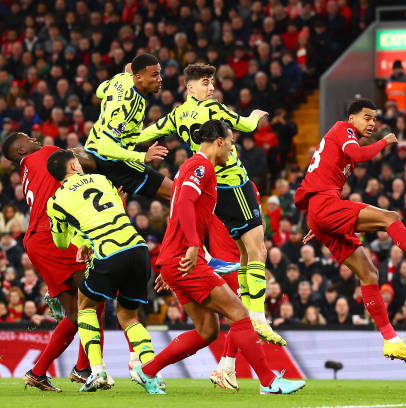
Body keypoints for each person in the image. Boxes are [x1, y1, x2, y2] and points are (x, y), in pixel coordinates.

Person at [131, 120, 305, 395]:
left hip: (175, 260)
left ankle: (147, 370)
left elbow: (178, 210)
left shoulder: (193, 167)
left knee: (207, 330)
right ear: (220, 141)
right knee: (239, 313)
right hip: (186, 258)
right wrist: (191, 245)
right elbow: (186, 203)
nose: (232, 150)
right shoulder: (201, 166)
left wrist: (168, 261)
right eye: (232, 144)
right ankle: (269, 382)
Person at [295, 98, 406, 363]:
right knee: (390, 218)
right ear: (351, 117)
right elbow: (359, 155)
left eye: (374, 119)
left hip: (322, 211)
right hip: (325, 205)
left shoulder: (340, 140)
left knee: (369, 274)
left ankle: (392, 340)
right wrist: (384, 141)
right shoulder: (343, 129)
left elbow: (317, 176)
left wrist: (318, 224)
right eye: (367, 117)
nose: (372, 123)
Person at [139, 63, 284, 347]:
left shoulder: (177, 114)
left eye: (212, 83)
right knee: (258, 251)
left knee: (244, 254)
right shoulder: (214, 110)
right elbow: (247, 125)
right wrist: (256, 114)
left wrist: (123, 145)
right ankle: (258, 318)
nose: (212, 88)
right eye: (206, 83)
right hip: (233, 183)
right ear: (190, 87)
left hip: (210, 188)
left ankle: (247, 315)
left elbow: (146, 134)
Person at [46, 149, 157, 392]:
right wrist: (87, 240)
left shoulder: (55, 202)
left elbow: (61, 243)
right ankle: (151, 370)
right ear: (74, 166)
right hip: (138, 248)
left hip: (110, 252)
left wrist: (80, 240)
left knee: (84, 306)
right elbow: (113, 212)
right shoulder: (102, 180)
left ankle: (97, 372)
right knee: (128, 316)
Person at [2, 132, 100, 392]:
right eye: (28, 139)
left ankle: (38, 372)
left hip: (37, 241)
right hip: (53, 236)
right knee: (96, 295)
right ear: (21, 149)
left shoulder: (28, 169)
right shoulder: (45, 154)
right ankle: (83, 368)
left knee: (76, 313)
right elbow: (83, 161)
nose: (35, 139)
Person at [84, 53, 171, 199]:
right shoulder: (129, 108)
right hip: (110, 161)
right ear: (138, 77)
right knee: (175, 192)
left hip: (91, 145)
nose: (160, 79)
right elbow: (106, 148)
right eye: (155, 75)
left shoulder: (121, 78)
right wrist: (143, 156)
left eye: (159, 74)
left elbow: (100, 91)